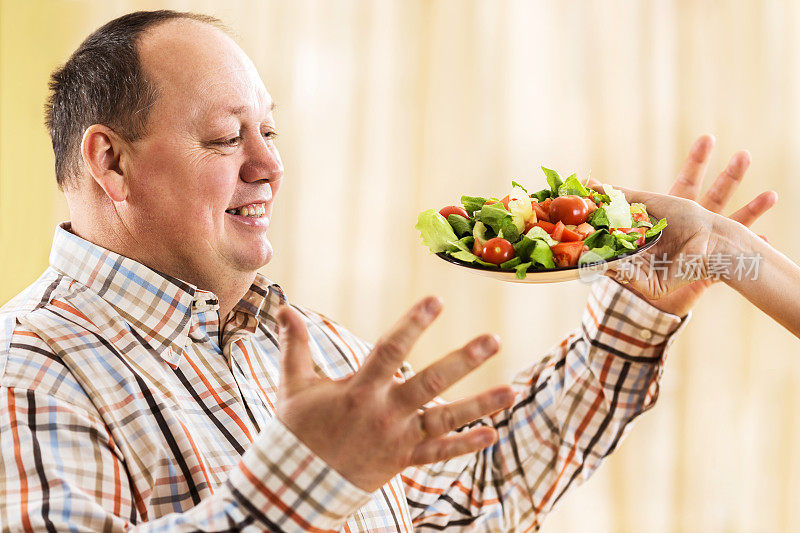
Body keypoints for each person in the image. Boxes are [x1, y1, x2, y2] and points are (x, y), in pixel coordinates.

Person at [0, 10, 775, 533]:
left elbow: (482, 488)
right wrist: (299, 484)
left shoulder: (314, 346)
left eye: (269, 130)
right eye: (224, 137)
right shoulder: (28, 369)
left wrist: (634, 312)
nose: (270, 165)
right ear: (111, 161)